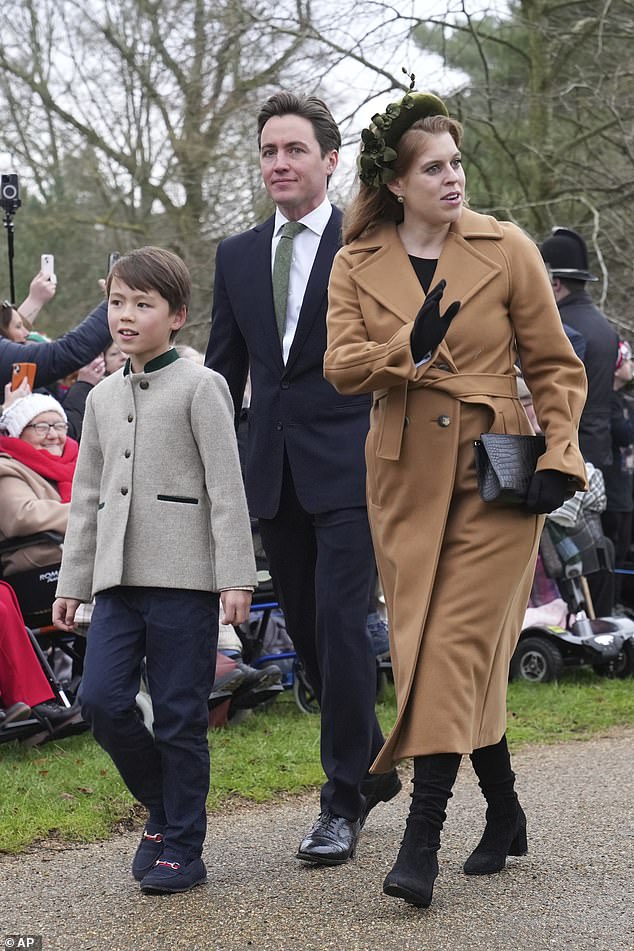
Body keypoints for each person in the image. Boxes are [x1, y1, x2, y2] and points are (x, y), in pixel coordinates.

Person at [323, 87, 587, 908]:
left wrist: (563, 453)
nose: (452, 178)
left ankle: (421, 838)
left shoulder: (506, 247)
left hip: (497, 475)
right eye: (433, 167)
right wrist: (411, 347)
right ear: (396, 183)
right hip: (403, 478)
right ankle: (504, 811)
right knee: (435, 649)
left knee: (453, 645)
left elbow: (554, 364)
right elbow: (340, 367)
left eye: (457, 163)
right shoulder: (355, 261)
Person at [205, 91, 400, 867]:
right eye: (267, 152)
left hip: (355, 463)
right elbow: (222, 374)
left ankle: (339, 800)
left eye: (293, 150)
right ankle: (373, 756)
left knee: (343, 624)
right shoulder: (237, 255)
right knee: (313, 639)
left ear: (330, 159)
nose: (278, 163)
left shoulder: (372, 246)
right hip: (273, 474)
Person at [52, 246, 257, 896]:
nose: (126, 315)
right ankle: (165, 809)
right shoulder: (103, 397)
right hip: (115, 582)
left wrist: (236, 577)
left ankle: (183, 846)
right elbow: (87, 495)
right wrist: (71, 581)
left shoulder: (202, 386)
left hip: (187, 581)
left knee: (177, 714)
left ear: (178, 315)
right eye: (117, 302)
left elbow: (227, 487)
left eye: (143, 304)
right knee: (101, 701)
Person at [540, 227, 619, 471]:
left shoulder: (560, 328)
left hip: (569, 455)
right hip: (599, 452)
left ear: (554, 284)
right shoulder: (605, 327)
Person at [601, 340, 634, 604]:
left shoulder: (625, 401)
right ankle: (606, 604)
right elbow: (624, 435)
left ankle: (617, 603)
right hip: (611, 489)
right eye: (628, 360)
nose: (632, 365)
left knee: (623, 550)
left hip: (626, 489)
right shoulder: (607, 401)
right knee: (611, 551)